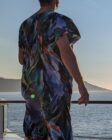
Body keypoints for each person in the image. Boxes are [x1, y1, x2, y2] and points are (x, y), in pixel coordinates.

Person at [18, 0, 89, 139]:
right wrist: (81, 84)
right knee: (58, 134)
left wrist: (36, 54)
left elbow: (21, 60)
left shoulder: (25, 25)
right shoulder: (57, 21)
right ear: (56, 1)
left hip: (31, 92)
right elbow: (66, 53)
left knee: (35, 134)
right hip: (54, 94)